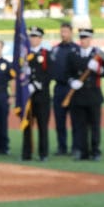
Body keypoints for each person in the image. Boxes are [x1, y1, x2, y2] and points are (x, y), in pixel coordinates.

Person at [65, 28, 104, 161]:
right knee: (80, 125)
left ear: (91, 39)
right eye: (82, 38)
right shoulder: (73, 53)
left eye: (86, 38)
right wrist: (72, 81)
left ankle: (95, 151)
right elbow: (67, 72)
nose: (84, 41)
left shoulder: (99, 54)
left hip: (93, 94)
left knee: (95, 125)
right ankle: (82, 151)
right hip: (78, 95)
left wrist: (99, 68)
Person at [20, 27, 52, 161]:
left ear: (40, 38)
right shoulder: (24, 55)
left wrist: (38, 84)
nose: (33, 39)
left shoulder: (46, 54)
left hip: (42, 96)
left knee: (42, 126)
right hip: (27, 96)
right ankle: (26, 153)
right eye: (31, 36)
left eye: (36, 37)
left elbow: (50, 73)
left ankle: (43, 153)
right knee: (27, 125)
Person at [48, 22, 80, 155]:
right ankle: (62, 147)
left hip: (73, 89)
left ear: (71, 32)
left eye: (66, 31)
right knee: (59, 120)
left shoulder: (77, 49)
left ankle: (76, 147)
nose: (63, 34)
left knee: (75, 120)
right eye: (62, 31)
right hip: (59, 87)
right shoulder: (55, 50)